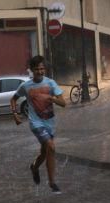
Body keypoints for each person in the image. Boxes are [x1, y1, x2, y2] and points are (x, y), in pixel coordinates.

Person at [10, 55, 66, 194]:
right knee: (51, 147)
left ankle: (34, 167)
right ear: (31, 70)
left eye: (42, 69)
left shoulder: (51, 83)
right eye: (37, 69)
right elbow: (13, 99)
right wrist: (15, 114)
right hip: (36, 123)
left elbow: (63, 103)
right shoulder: (26, 86)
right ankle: (52, 183)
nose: (40, 72)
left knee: (45, 152)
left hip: (50, 122)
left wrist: (51, 98)